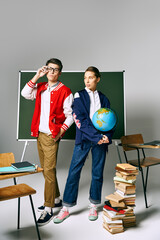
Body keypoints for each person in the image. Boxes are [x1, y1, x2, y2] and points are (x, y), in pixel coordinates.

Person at [54, 66, 114, 224]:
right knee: (74, 171)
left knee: (97, 173)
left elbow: (110, 120)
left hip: (101, 140)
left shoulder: (104, 98)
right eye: (85, 78)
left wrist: (107, 136)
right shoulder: (78, 95)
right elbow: (80, 120)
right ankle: (66, 208)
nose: (87, 81)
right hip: (85, 139)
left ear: (97, 79)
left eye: (90, 77)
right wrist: (97, 137)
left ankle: (94, 205)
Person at [21, 58, 74, 226]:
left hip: (52, 136)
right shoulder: (41, 86)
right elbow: (25, 94)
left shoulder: (65, 90)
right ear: (46, 69)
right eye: (49, 69)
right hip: (39, 134)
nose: (52, 72)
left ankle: (49, 208)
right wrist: (37, 76)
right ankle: (56, 199)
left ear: (60, 72)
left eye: (55, 69)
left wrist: (61, 131)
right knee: (46, 170)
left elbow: (70, 115)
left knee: (49, 171)